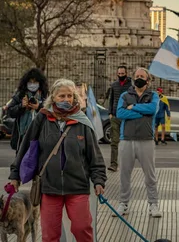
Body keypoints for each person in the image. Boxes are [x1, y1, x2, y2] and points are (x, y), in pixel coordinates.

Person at [9, 79, 106, 242]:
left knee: (82, 229)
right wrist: (14, 176)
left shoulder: (83, 122)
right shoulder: (42, 119)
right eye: (62, 96)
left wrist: (99, 180)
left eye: (70, 95)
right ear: (53, 97)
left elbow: (94, 155)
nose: (66, 99)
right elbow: (24, 148)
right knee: (50, 234)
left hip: (77, 186)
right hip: (49, 187)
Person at [114, 68, 162, 218]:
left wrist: (133, 107)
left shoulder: (153, 95)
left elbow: (152, 109)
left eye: (142, 76)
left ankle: (153, 204)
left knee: (150, 175)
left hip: (146, 140)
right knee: (124, 175)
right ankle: (123, 203)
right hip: (126, 140)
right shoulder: (125, 95)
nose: (139, 78)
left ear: (148, 80)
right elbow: (120, 113)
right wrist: (142, 113)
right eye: (137, 76)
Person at [5, 68, 49, 152]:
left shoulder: (45, 96)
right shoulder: (19, 95)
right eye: (30, 82)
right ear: (26, 83)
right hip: (22, 136)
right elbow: (10, 112)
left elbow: (52, 113)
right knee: (21, 161)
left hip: (40, 134)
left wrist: (39, 107)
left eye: (35, 82)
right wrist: (21, 106)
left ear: (40, 83)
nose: (32, 84)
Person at [105, 65, 131, 172]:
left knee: (127, 142)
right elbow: (111, 99)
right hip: (115, 116)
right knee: (114, 141)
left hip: (126, 116)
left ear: (126, 74)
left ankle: (127, 165)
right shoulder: (114, 85)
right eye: (119, 74)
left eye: (122, 74)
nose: (120, 75)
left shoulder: (131, 86)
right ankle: (113, 164)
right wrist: (110, 112)